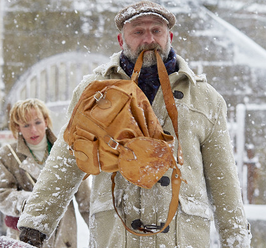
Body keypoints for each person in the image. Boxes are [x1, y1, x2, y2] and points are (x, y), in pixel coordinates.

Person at [18, 2, 251, 247]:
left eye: (156, 31)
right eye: (138, 31)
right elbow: (66, 158)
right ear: (121, 39)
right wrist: (35, 222)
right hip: (117, 235)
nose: (148, 39)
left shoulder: (205, 98)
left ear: (169, 36)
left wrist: (235, 239)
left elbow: (223, 177)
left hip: (182, 238)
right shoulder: (93, 91)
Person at [0, 98, 90, 248]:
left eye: (37, 122)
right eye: (26, 125)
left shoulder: (66, 151)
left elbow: (86, 201)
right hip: (24, 239)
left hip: (64, 238)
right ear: (17, 128)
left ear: (46, 121)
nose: (33, 130)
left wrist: (102, 235)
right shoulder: (7, 155)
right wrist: (27, 201)